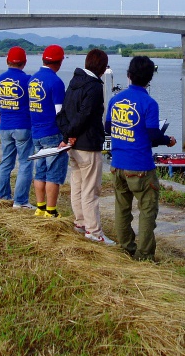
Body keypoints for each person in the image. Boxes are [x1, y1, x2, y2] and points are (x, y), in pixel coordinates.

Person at [105, 56, 177, 261]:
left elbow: (108, 129)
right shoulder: (149, 103)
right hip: (140, 167)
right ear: (149, 79)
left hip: (117, 164)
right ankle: (144, 255)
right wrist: (167, 140)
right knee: (147, 211)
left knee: (122, 209)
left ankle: (126, 247)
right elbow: (153, 135)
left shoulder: (115, 100)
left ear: (128, 75)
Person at [56, 49, 114, 244]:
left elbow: (63, 113)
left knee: (78, 186)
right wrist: (71, 134)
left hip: (73, 146)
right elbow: (86, 115)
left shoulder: (74, 82)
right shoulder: (95, 87)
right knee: (91, 189)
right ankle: (94, 231)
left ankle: (80, 222)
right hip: (88, 144)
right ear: (102, 67)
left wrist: (67, 135)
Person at [29, 45, 68, 218]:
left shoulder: (33, 80)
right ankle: (51, 211)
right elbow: (60, 112)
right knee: (53, 173)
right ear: (59, 62)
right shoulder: (56, 82)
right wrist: (66, 135)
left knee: (40, 170)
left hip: (36, 132)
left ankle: (40, 207)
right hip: (52, 132)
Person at [0, 47, 36, 210]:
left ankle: (3, 196)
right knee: (25, 163)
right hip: (23, 125)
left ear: (7, 61)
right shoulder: (28, 80)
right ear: (24, 62)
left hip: (5, 125)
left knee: (6, 162)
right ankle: (20, 201)